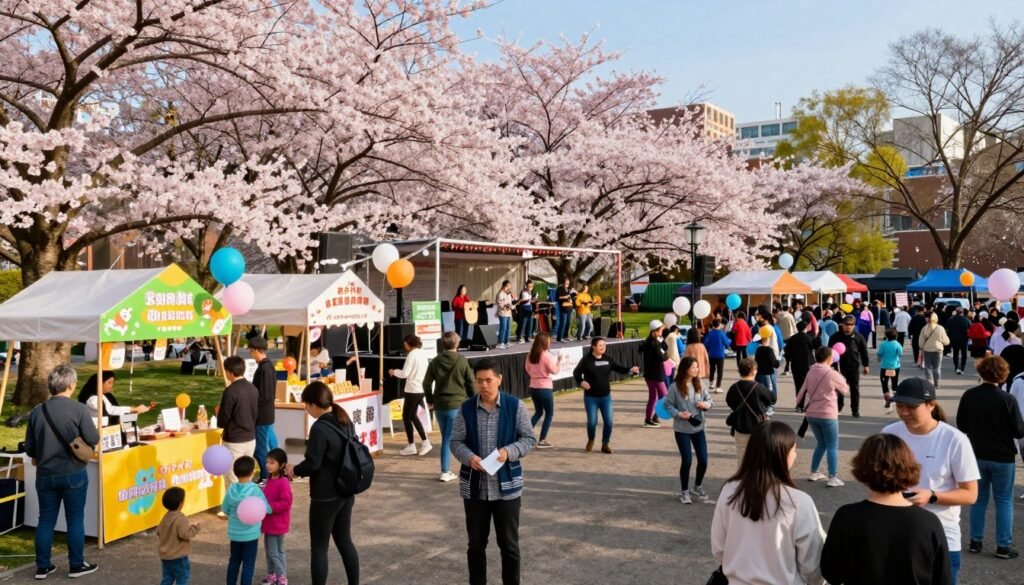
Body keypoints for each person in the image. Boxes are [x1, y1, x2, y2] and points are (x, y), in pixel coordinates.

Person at [884, 378, 980, 585]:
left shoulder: (954, 439)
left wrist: (932, 496)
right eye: (899, 406)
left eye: (911, 407)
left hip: (941, 538)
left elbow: (970, 494)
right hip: (895, 536)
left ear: (931, 405)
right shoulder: (889, 434)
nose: (904, 412)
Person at [821, 433, 951, 585]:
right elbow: (942, 578)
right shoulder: (929, 522)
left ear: (862, 468)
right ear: (908, 467)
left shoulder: (847, 516)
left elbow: (831, 572)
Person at [450, 358, 536, 585]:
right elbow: (455, 442)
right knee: (476, 545)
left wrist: (508, 452)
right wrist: (470, 458)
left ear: (499, 379)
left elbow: (528, 439)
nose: (484, 385)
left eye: (488, 380)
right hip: (475, 491)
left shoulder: (515, 406)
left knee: (509, 545)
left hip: (507, 490)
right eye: (479, 381)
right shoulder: (466, 408)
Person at [711, 421, 826, 585]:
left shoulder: (730, 491)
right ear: (782, 454)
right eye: (794, 449)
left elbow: (719, 548)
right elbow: (812, 565)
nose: (796, 454)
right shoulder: (799, 502)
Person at [25, 364, 100, 579]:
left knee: (46, 520)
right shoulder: (78, 409)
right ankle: (76, 564)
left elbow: (29, 447)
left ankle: (43, 566)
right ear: (70, 384)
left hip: (45, 474)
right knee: (75, 518)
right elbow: (93, 439)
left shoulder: (38, 411)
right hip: (73, 472)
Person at [287, 381, 360, 584]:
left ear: (313, 404)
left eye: (306, 405)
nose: (306, 410)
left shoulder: (319, 428)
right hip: (346, 490)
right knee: (345, 541)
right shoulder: (343, 419)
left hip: (325, 495)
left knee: (319, 548)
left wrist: (294, 470)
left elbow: (313, 464)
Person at [956, 356, 1024, 559]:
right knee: (1003, 501)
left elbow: (962, 425)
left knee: (978, 500)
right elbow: (1019, 431)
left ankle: (975, 541)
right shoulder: (1007, 399)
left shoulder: (970, 395)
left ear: (980, 371)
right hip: (1003, 456)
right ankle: (1003, 545)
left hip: (976, 454)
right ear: (1003, 375)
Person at [424, 331, 476, 482]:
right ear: (457, 344)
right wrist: (474, 399)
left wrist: (429, 399)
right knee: (451, 438)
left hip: (440, 405)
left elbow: (426, 382)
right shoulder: (462, 360)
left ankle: (449, 469)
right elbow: (471, 382)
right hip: (457, 404)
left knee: (447, 437)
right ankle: (446, 470)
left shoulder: (435, 361)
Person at [573, 337, 639, 453]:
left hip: (605, 397)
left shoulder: (608, 359)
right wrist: (581, 382)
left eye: (604, 345)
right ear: (593, 346)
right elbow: (576, 373)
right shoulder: (586, 360)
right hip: (591, 397)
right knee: (592, 422)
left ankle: (605, 444)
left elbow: (618, 368)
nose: (603, 347)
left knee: (608, 422)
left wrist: (630, 370)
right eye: (600, 345)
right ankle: (591, 439)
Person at [795, 347, 849, 487]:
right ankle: (833, 476)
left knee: (821, 443)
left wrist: (799, 403)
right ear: (829, 358)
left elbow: (802, 390)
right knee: (832, 445)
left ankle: (814, 472)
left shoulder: (811, 370)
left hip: (811, 413)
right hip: (828, 413)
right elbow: (845, 389)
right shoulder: (832, 373)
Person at [664, 357, 713, 504]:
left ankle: (697, 486)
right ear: (686, 369)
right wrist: (679, 414)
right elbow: (667, 405)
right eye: (694, 367)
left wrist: (706, 404)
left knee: (703, 460)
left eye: (697, 367)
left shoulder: (700, 383)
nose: (697, 370)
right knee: (687, 460)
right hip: (682, 429)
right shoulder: (674, 387)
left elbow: (710, 400)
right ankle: (684, 491)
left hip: (698, 427)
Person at [223, 456, 270, 585]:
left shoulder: (231, 490)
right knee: (248, 564)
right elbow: (264, 507)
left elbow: (225, 509)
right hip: (251, 534)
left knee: (234, 561)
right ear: (252, 472)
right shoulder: (255, 490)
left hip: (235, 534)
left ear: (235, 472)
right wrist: (270, 510)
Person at [218, 356, 260, 488]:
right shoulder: (253, 389)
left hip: (234, 440)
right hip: (250, 437)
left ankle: (235, 507)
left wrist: (218, 414)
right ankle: (245, 504)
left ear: (230, 372)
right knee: (246, 477)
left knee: (233, 478)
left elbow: (223, 418)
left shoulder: (230, 391)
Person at [389, 334, 432, 457]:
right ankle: (422, 442)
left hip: (412, 389)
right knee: (411, 416)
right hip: (420, 388)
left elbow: (405, 373)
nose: (405, 346)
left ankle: (414, 445)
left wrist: (394, 371)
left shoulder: (411, 355)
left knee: (407, 416)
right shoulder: (423, 354)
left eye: (405, 344)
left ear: (409, 343)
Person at [725, 358, 773, 462]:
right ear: (753, 370)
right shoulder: (759, 387)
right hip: (757, 426)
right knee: (758, 458)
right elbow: (770, 399)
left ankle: (742, 477)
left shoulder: (734, 387)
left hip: (739, 426)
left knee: (741, 458)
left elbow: (729, 401)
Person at [524, 333, 562, 449]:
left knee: (538, 412)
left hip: (533, 386)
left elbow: (527, 369)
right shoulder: (546, 355)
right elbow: (554, 371)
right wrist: (559, 361)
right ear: (545, 343)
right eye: (549, 341)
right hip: (544, 387)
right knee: (549, 413)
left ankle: (525, 437)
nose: (550, 343)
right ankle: (542, 439)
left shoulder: (530, 354)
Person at [249, 337, 279, 482]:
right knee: (272, 442)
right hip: (268, 413)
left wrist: (252, 405)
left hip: (262, 414)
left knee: (260, 448)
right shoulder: (267, 366)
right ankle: (279, 470)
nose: (250, 354)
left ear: (255, 350)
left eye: (250, 351)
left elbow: (265, 395)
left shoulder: (264, 368)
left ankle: (265, 475)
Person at [261, 449, 293, 585]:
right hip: (269, 522)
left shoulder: (283, 482)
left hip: (277, 523)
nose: (268, 465)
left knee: (274, 552)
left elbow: (286, 502)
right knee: (270, 551)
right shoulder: (269, 479)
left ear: (281, 465)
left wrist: (270, 507)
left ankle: (281, 577)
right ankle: (272, 575)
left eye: (272, 463)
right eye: (267, 462)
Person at [157, 486, 200, 585]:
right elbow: (185, 534)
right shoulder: (181, 518)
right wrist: (195, 528)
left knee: (167, 577)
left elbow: (158, 532)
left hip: (165, 556)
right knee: (182, 578)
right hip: (179, 557)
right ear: (181, 504)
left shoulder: (165, 517)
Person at [828, 316, 870, 417]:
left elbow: (864, 351)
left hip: (853, 366)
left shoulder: (858, 337)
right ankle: (838, 407)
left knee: (854, 389)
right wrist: (829, 365)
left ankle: (855, 409)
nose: (848, 327)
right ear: (842, 325)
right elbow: (829, 351)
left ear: (854, 325)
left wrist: (866, 365)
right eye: (846, 325)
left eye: (851, 325)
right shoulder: (835, 337)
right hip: (838, 366)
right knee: (838, 388)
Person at [77, 371, 151, 419]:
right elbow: (110, 411)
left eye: (112, 383)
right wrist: (132, 409)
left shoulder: (105, 395)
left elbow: (113, 409)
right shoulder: (92, 399)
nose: (111, 385)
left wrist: (134, 412)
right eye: (109, 383)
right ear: (100, 382)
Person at [639, 320, 670, 427]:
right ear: (655, 331)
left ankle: (650, 418)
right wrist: (664, 351)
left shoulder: (651, 341)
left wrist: (661, 342)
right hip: (656, 374)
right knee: (665, 396)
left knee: (654, 397)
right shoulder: (653, 343)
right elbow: (664, 357)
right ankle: (652, 417)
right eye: (660, 330)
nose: (662, 331)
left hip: (650, 374)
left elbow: (665, 347)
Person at [786, 321, 815, 409]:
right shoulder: (809, 338)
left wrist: (788, 362)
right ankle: (806, 404)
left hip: (796, 364)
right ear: (806, 328)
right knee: (807, 385)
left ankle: (799, 404)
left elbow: (787, 353)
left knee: (798, 384)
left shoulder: (792, 338)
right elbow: (812, 349)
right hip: (807, 364)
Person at [919, 312, 951, 388]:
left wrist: (922, 347)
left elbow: (921, 342)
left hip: (927, 350)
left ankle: (929, 383)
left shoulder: (925, 328)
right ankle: (937, 384)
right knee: (937, 367)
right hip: (938, 350)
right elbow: (946, 341)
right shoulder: (940, 328)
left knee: (928, 367)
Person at [877, 328, 904, 414]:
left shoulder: (883, 344)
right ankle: (895, 396)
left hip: (885, 366)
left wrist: (880, 357)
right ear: (896, 336)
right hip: (895, 366)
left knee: (884, 382)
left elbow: (879, 353)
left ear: (886, 336)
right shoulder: (897, 344)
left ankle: (887, 397)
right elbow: (900, 353)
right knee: (894, 381)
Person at [753, 334, 780, 416]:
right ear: (767, 340)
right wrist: (778, 361)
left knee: (759, 390)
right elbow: (774, 363)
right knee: (769, 390)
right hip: (767, 373)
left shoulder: (758, 349)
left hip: (759, 373)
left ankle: (761, 406)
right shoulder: (769, 350)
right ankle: (770, 406)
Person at [704, 319, 729, 393]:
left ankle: (711, 383)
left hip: (711, 354)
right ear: (719, 325)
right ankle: (718, 387)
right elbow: (727, 343)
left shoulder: (710, 333)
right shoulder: (722, 333)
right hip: (720, 355)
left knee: (712, 369)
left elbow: (706, 344)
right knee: (720, 371)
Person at [682, 328, 710, 392]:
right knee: (698, 385)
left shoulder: (689, 347)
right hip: (700, 369)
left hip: (691, 370)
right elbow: (706, 358)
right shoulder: (702, 346)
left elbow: (685, 359)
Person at [947, 308, 971, 375]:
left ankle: (956, 366)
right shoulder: (966, 319)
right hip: (964, 339)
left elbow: (949, 328)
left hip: (954, 338)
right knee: (964, 354)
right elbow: (969, 328)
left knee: (955, 353)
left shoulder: (952, 319)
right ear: (962, 312)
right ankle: (962, 367)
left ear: (956, 312)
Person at [495, 280, 514, 349]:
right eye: (507, 286)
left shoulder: (507, 293)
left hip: (508, 312)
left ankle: (506, 342)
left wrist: (511, 306)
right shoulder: (500, 293)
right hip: (502, 313)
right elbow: (499, 304)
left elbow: (510, 302)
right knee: (503, 327)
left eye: (509, 286)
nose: (509, 288)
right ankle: (500, 343)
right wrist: (506, 306)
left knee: (508, 328)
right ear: (504, 286)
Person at [555, 278, 574, 342]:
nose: (567, 284)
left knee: (568, 323)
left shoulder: (568, 289)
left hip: (569, 308)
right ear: (563, 283)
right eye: (566, 283)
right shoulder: (560, 289)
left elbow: (570, 297)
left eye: (568, 283)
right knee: (563, 323)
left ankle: (565, 336)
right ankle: (559, 338)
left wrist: (571, 298)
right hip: (563, 308)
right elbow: (558, 297)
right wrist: (566, 296)